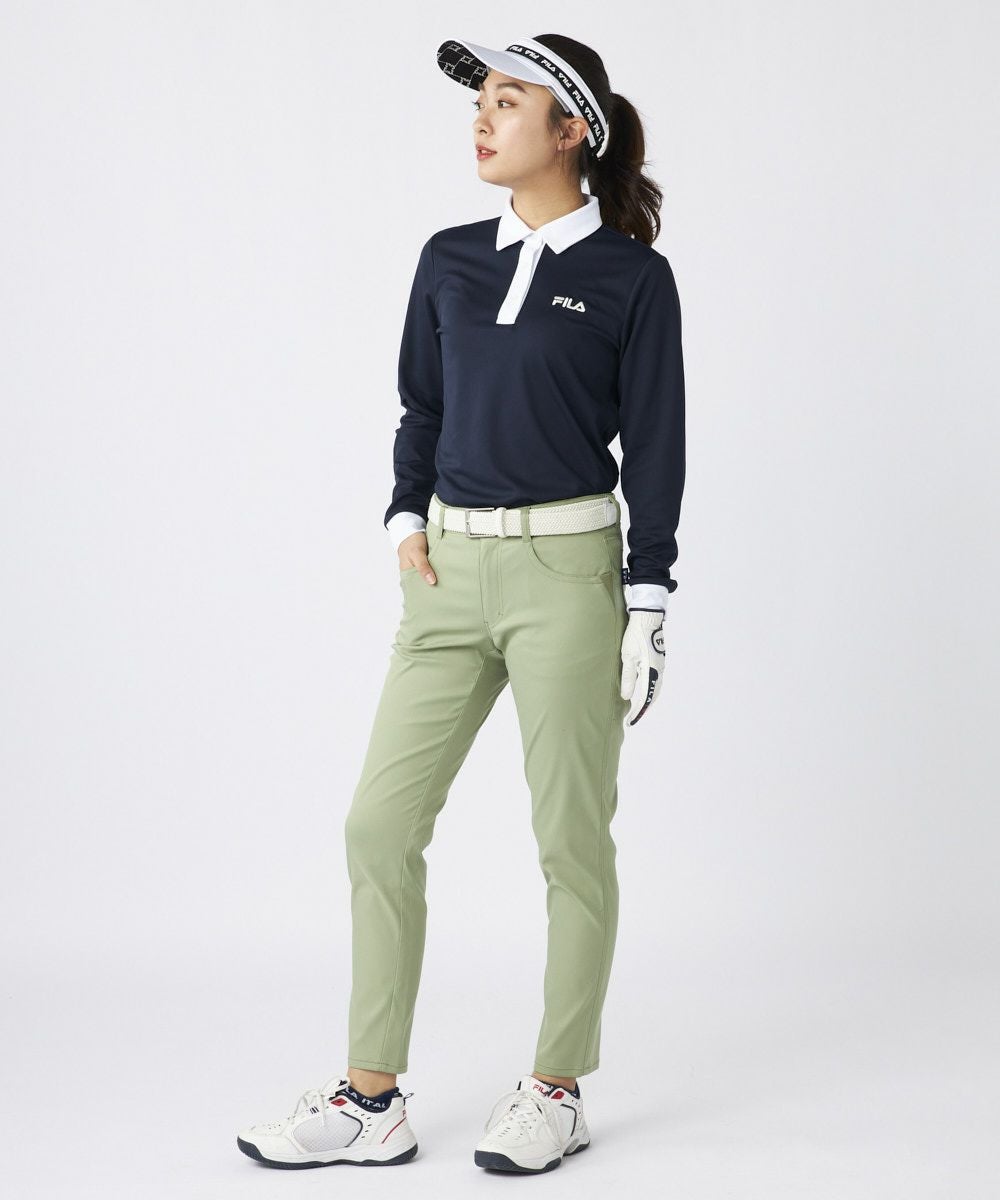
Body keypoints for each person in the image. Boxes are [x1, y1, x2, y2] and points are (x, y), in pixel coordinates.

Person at [236, 32, 685, 1175]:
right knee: (377, 825)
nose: (481, 120)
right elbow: (421, 407)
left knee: (569, 841)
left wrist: (647, 599)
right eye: (477, 101)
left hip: (567, 579)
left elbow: (656, 446)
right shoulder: (447, 258)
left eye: (507, 101)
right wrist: (403, 519)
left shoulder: (632, 278)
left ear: (571, 130)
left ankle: (556, 1089)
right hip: (444, 575)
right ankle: (369, 1099)